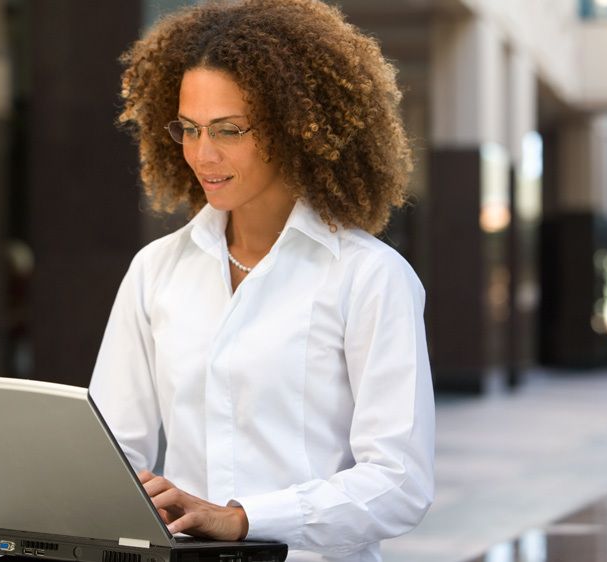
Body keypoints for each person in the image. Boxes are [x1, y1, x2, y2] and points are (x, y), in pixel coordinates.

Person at [89, 1, 434, 561]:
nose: (204, 154)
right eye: (190, 129)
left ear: (296, 126)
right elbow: (111, 453)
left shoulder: (370, 277)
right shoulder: (156, 271)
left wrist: (244, 520)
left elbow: (399, 482)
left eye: (229, 129)